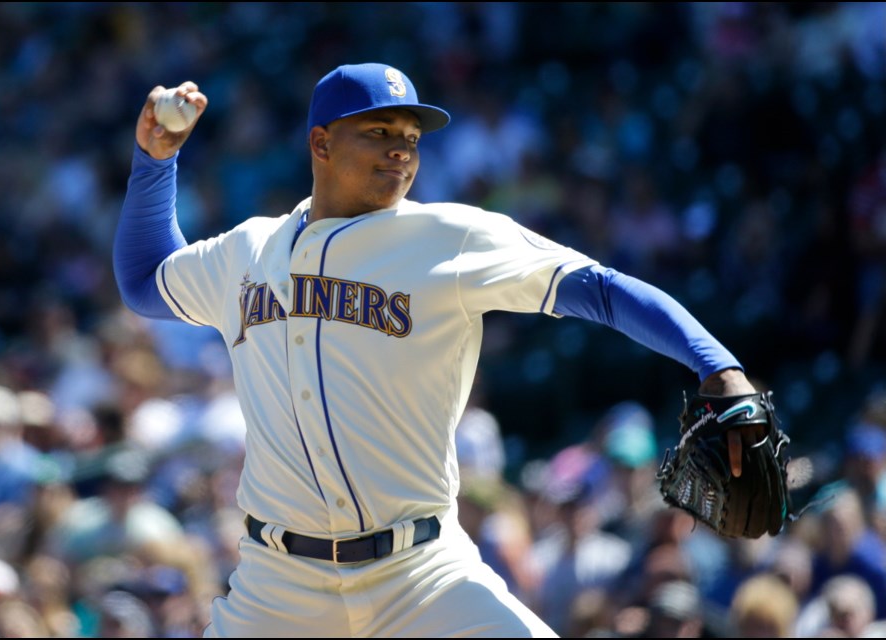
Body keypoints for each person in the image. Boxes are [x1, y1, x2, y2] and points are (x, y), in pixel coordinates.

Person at [113, 62, 765, 638]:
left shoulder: (449, 237)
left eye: (411, 138)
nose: (401, 151)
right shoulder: (246, 252)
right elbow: (145, 280)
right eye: (379, 133)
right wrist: (156, 162)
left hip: (420, 575)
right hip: (277, 587)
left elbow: (597, 288)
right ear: (321, 142)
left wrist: (717, 364)